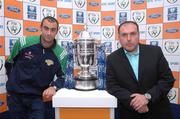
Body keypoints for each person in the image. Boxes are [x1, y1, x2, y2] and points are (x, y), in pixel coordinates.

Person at [106, 21, 175, 119]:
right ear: (119, 38)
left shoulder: (155, 52)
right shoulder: (112, 58)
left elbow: (167, 80)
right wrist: (135, 103)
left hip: (158, 112)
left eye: (133, 34)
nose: (128, 39)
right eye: (124, 35)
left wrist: (147, 97)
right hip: (129, 113)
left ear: (138, 35)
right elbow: (112, 86)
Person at [5, 16, 67, 119]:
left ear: (57, 31)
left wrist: (54, 87)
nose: (48, 33)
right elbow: (9, 63)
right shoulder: (23, 42)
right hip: (15, 97)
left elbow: (63, 77)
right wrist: (11, 84)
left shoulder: (61, 54)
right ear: (40, 28)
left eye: (52, 30)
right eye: (46, 28)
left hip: (37, 98)